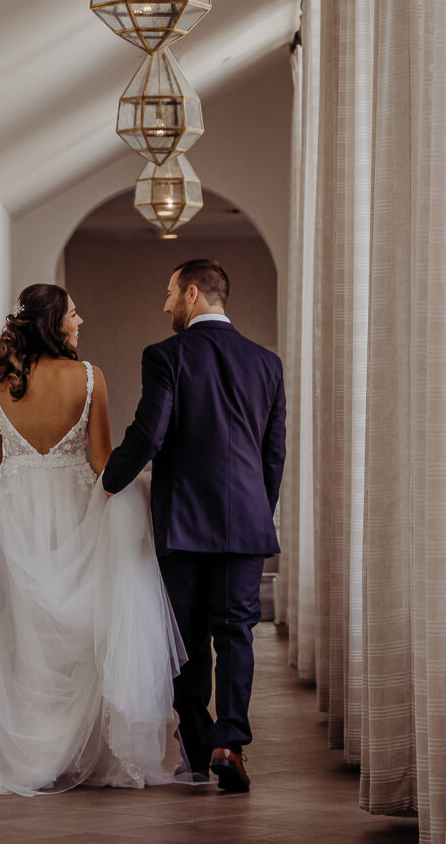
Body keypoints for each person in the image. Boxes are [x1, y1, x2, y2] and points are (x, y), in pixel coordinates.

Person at [0, 283, 189, 798]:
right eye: (73, 312)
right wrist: (146, 489)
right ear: (54, 323)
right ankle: (82, 752)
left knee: (29, 635)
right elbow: (100, 462)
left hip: (19, 515)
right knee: (84, 632)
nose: (80, 319)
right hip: (77, 512)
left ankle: (36, 756)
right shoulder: (89, 378)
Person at [102, 259, 286, 793]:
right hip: (246, 525)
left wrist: (108, 481)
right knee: (235, 632)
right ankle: (231, 742)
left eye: (168, 294)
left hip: (183, 522)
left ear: (191, 294)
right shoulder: (267, 363)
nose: (165, 306)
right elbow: (273, 456)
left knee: (182, 638)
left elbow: (149, 432)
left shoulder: (165, 356)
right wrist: (254, 509)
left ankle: (198, 743)